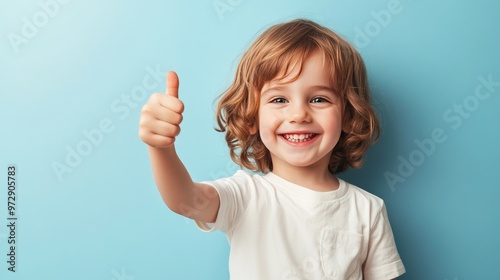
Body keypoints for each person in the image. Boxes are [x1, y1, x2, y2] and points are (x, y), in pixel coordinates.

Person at [139, 18, 405, 280]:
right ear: (252, 117)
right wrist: (160, 148)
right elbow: (185, 201)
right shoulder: (245, 197)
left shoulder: (368, 209)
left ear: (348, 115)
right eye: (279, 99)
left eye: (319, 99)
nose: (299, 114)